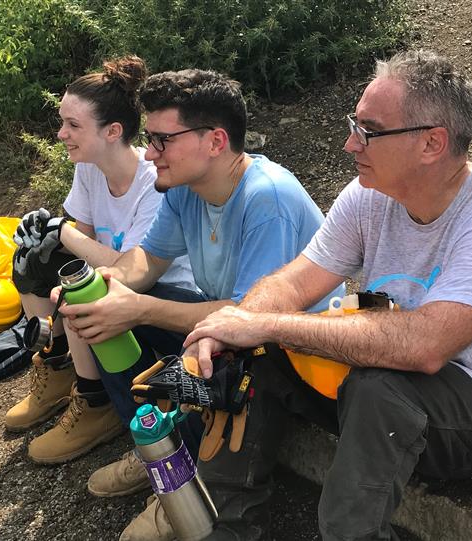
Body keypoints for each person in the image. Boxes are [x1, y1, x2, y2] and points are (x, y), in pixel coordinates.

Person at [183, 49, 472, 540]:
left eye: (368, 131)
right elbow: (293, 282)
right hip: (377, 396)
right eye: (353, 126)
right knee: (251, 346)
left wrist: (266, 323)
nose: (349, 144)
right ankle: (226, 526)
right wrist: (235, 326)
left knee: (377, 384)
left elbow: (425, 348)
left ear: (431, 143)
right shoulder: (369, 195)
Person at [53, 68, 343, 539]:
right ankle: (157, 448)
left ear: (215, 141)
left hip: (291, 352)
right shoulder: (184, 190)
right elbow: (148, 260)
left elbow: (250, 317)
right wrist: (108, 282)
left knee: (209, 352)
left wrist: (140, 309)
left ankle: (184, 486)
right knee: (101, 311)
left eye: (163, 140)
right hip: (230, 323)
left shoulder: (266, 197)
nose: (150, 154)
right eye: (149, 139)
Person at [5, 55, 194, 465]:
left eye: (73, 126)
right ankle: (58, 368)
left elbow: (134, 265)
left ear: (113, 131)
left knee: (86, 287)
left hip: (163, 292)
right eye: (62, 122)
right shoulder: (90, 168)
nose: (61, 134)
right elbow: (82, 238)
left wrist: (63, 231)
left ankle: (97, 402)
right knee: (33, 258)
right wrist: (50, 236)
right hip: (118, 279)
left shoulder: (153, 181)